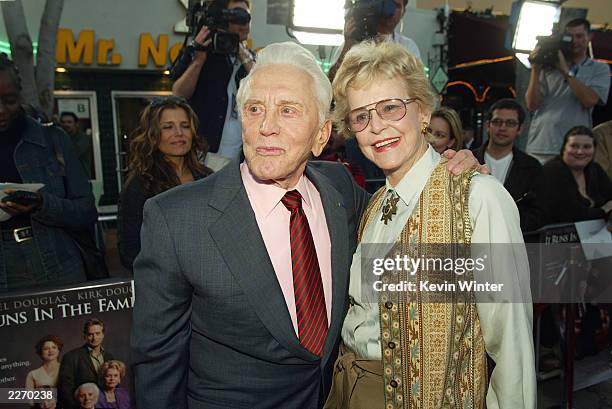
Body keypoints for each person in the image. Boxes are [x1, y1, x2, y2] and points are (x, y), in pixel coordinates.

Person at [130, 41, 481, 409]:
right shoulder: (176, 218)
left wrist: (453, 174)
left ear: (321, 135)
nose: (267, 126)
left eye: (288, 110)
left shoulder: (342, 191)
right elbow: (157, 364)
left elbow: (409, 216)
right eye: (254, 109)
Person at [326, 41, 535, 408]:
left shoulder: (477, 198)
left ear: (423, 111)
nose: (376, 127)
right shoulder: (373, 206)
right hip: (351, 392)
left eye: (390, 107)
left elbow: (512, 343)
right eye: (361, 116)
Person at [0, 54, 96, 292]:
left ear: (20, 95)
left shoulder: (53, 139)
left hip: (59, 263)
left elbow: (86, 210)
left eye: (9, 100)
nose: (0, 110)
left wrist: (43, 204)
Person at [117, 96, 211, 271]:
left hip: (209, 280)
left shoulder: (207, 178)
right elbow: (130, 252)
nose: (179, 133)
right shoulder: (140, 186)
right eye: (168, 127)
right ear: (153, 135)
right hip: (168, 287)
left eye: (185, 126)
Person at [172, 0, 255, 160]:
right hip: (204, 154)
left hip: (239, 158)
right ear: (222, 18)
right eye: (237, 16)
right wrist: (198, 60)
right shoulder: (202, 52)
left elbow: (264, 89)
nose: (245, 23)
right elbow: (178, 94)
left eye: (247, 17)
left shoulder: (249, 59)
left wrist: (244, 57)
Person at [525, 18, 610, 164]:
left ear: (590, 37)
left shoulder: (599, 69)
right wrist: (536, 68)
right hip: (541, 144)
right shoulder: (548, 67)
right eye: (570, 37)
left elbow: (590, 100)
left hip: (575, 148)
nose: (574, 41)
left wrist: (565, 71)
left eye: (579, 36)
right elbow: (532, 104)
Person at [474, 98, 543, 232]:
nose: (503, 128)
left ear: (520, 129)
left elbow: (538, 214)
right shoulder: (470, 160)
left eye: (510, 123)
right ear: (488, 125)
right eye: (497, 122)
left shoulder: (532, 167)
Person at [535, 125, 612, 225]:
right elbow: (571, 214)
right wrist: (604, 210)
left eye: (587, 147)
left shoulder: (595, 169)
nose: (580, 152)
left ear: (594, 150)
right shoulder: (552, 172)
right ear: (564, 149)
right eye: (574, 146)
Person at [328, 0, 420, 82]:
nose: (391, 9)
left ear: (403, 12)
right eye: (387, 3)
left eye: (397, 6)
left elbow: (417, 83)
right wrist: (348, 45)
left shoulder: (408, 46)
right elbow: (332, 81)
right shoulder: (353, 42)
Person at [58, 319, 114, 409]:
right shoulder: (71, 357)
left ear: (103, 335)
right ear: (85, 336)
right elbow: (65, 389)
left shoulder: (109, 357)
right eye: (90, 334)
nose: (94, 338)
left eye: (97, 333)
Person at [59, 112, 93, 179]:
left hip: (81, 178)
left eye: (69, 122)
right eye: (63, 122)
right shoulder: (62, 137)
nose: (66, 124)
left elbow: (70, 155)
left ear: (76, 124)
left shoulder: (83, 138)